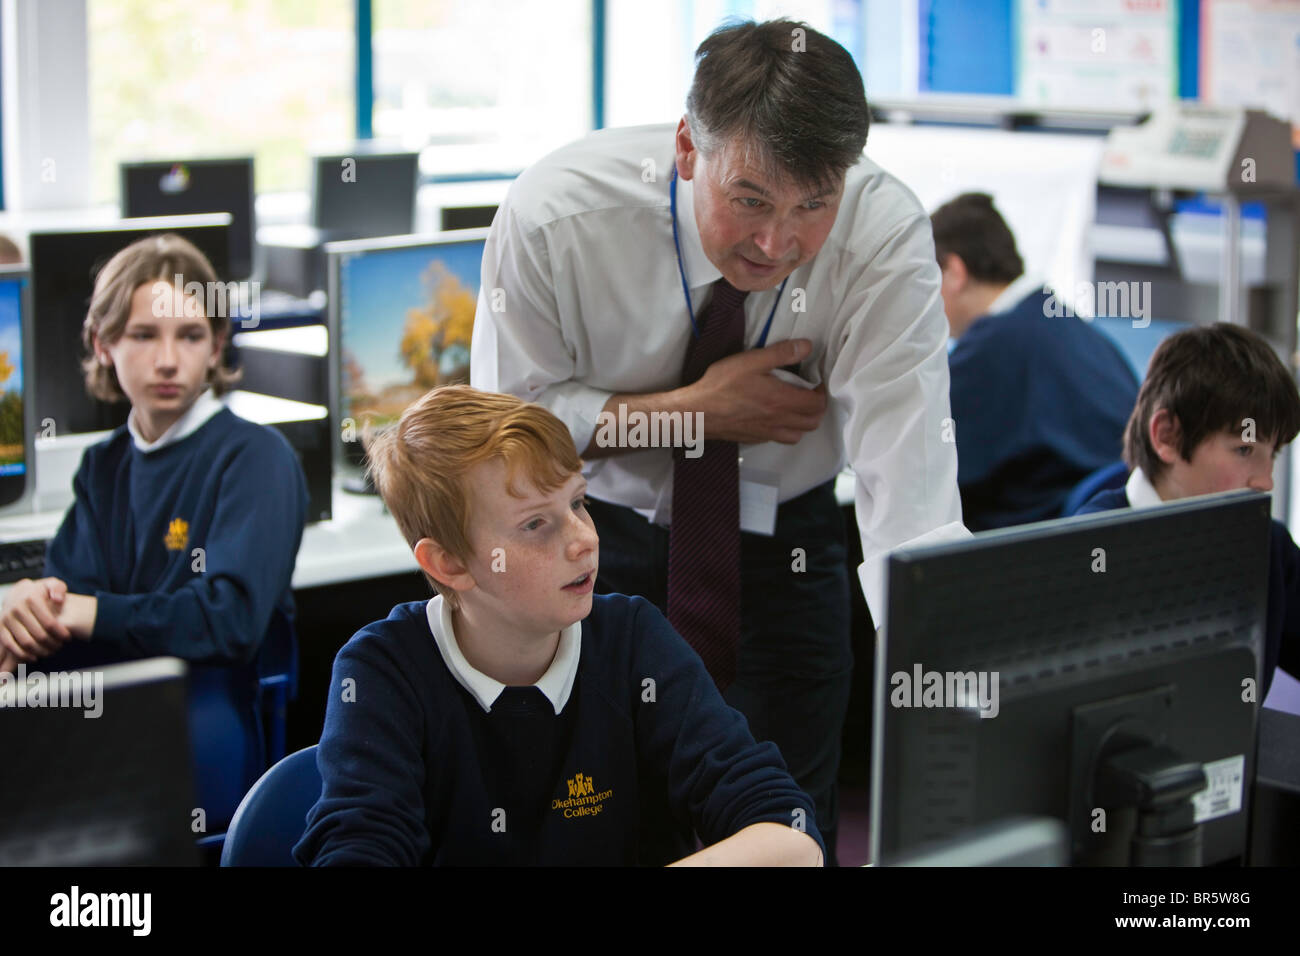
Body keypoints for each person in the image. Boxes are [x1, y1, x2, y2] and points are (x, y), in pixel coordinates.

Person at [470, 18, 967, 862]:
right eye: (751, 200)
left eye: (814, 205)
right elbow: (510, 436)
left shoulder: (880, 232)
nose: (779, 243)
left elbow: (908, 485)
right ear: (687, 149)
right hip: (595, 547)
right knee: (596, 823)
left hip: (789, 554)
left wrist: (952, 681)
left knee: (785, 830)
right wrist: (695, 411)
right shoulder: (558, 214)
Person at [294, 385, 824, 866]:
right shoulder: (384, 671)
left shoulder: (632, 640)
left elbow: (789, 834)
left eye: (577, 503)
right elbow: (358, 848)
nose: (584, 540)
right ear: (449, 563)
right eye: (535, 524)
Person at [0, 234, 308, 820]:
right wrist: (30, 601)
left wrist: (81, 611)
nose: (168, 360)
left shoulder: (255, 457)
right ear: (104, 343)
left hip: (200, 726)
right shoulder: (105, 466)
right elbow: (65, 602)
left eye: (190, 336)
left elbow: (228, 621)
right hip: (105, 716)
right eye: (143, 335)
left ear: (217, 346)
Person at [1075, 323, 1300, 697]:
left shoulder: (1268, 547)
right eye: (1244, 450)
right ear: (1168, 436)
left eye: (1271, 454)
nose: (1266, 481)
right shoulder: (1090, 548)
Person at [932, 192, 1140, 531]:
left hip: (1047, 539)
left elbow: (928, 463)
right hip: (1118, 526)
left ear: (955, 271)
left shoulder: (993, 345)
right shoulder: (1066, 324)